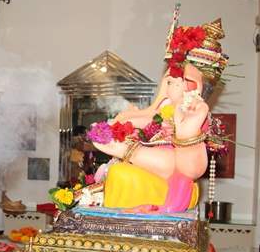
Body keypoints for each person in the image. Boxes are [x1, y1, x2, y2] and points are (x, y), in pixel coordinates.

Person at [91, 16, 228, 213]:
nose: (171, 86)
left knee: (160, 165)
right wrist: (118, 124)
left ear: (194, 87)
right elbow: (144, 118)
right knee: (119, 172)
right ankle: (127, 151)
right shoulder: (163, 113)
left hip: (175, 174)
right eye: (169, 81)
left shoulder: (196, 115)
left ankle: (128, 150)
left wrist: (186, 132)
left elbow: (190, 170)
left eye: (177, 82)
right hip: (153, 169)